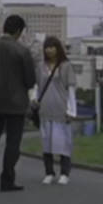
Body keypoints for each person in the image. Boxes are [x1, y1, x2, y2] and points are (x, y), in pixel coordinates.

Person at [0, 15, 37, 192]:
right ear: (18, 31)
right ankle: (7, 181)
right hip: (16, 105)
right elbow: (30, 80)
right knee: (13, 143)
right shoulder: (22, 51)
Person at [32, 35, 77, 185]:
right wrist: (34, 99)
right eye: (47, 47)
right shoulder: (40, 66)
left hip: (61, 110)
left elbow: (70, 89)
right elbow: (37, 86)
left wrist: (71, 110)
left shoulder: (65, 66)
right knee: (47, 143)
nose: (49, 50)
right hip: (45, 110)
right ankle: (49, 172)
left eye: (52, 47)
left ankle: (65, 173)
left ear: (58, 48)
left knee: (64, 143)